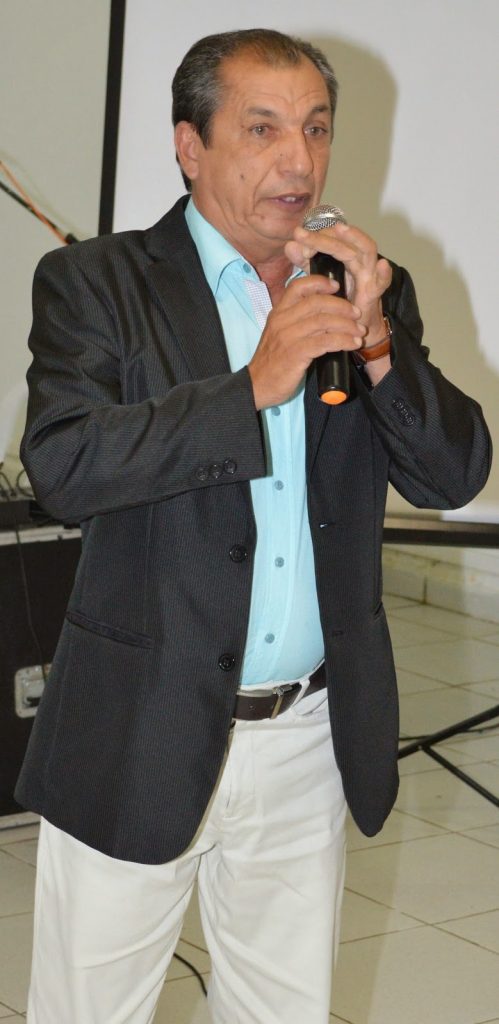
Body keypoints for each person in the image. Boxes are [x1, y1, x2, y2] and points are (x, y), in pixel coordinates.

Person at [16, 27, 491, 1024]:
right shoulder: (99, 281)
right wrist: (252, 388)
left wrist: (376, 343)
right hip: (139, 724)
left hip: (306, 732)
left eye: (315, 128)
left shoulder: (361, 286)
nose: (298, 160)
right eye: (263, 128)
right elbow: (64, 464)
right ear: (189, 146)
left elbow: (451, 473)